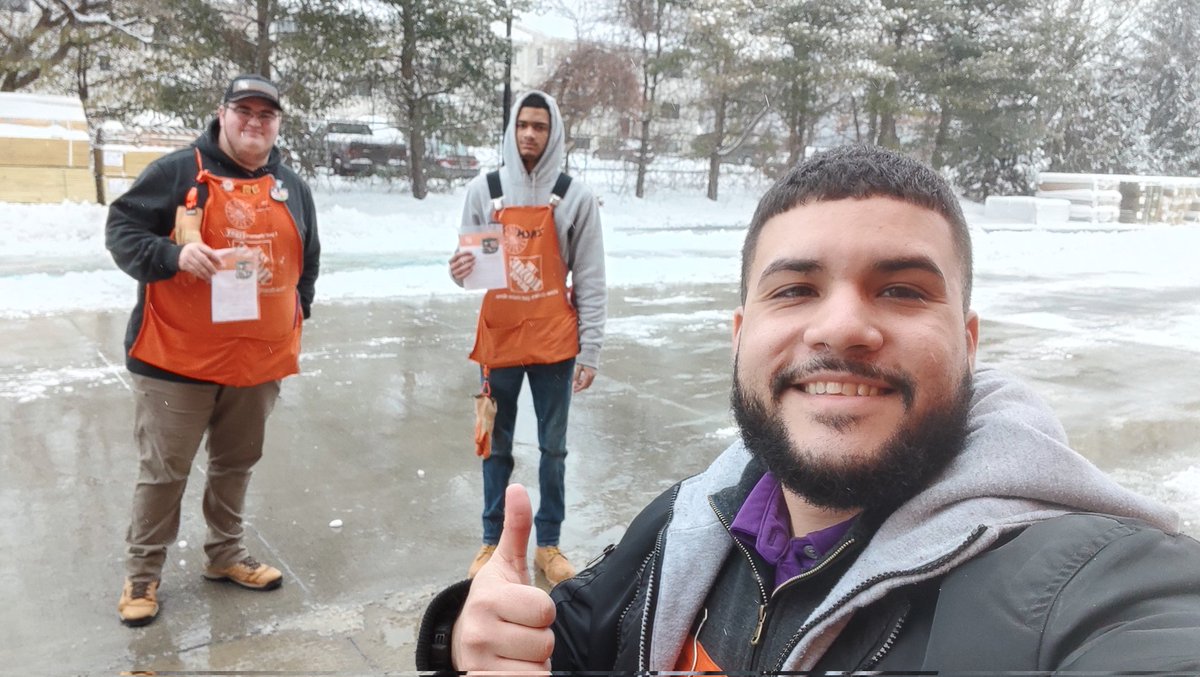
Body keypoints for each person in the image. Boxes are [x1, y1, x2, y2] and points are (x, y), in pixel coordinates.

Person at [416, 145, 1200, 671]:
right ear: (740, 334)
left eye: (901, 288)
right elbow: (576, 640)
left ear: (967, 340)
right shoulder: (690, 522)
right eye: (794, 289)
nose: (841, 327)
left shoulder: (1080, 586)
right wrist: (475, 635)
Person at [105, 73, 320, 627]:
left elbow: (308, 262)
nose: (254, 122)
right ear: (222, 114)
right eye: (243, 111)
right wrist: (172, 257)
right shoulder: (177, 172)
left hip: (256, 361)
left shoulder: (291, 185)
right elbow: (122, 231)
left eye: (266, 115)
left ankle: (225, 555)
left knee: (235, 464)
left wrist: (297, 314)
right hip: (177, 360)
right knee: (165, 471)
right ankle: (142, 573)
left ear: (277, 124)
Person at [447, 90, 606, 585]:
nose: (530, 134)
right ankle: (492, 540)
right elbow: (469, 270)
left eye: (539, 126)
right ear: (512, 131)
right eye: (523, 126)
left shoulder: (575, 196)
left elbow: (592, 277)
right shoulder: (485, 190)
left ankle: (549, 544)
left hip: (555, 346)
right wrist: (458, 270)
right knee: (494, 445)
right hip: (498, 342)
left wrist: (591, 348)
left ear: (553, 132)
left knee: (554, 449)